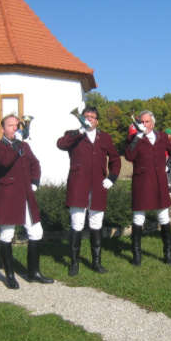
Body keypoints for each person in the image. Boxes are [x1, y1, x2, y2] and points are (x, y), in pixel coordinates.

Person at [0, 114, 54, 289]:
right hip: (8, 196)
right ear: (3, 128)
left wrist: (35, 182)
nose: (15, 128)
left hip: (26, 195)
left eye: (17, 125)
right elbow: (4, 162)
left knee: (36, 232)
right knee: (7, 235)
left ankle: (34, 273)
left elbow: (35, 163)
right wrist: (17, 143)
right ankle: (10, 275)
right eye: (11, 125)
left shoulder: (24, 146)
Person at [56, 106, 121, 276]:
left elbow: (115, 158)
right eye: (86, 116)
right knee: (76, 224)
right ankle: (74, 263)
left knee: (96, 224)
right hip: (78, 185)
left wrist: (111, 178)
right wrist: (80, 131)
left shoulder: (104, 137)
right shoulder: (73, 134)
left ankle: (96, 263)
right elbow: (61, 144)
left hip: (99, 186)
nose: (89, 119)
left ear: (97, 120)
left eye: (92, 117)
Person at [124, 110, 171, 266]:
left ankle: (168, 255)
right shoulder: (134, 138)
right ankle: (137, 256)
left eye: (147, 122)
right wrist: (139, 136)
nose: (144, 125)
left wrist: (168, 167)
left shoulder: (162, 137)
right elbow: (128, 156)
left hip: (160, 182)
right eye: (142, 122)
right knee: (138, 218)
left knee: (163, 217)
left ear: (153, 123)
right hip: (142, 182)